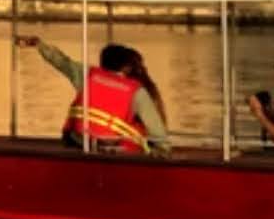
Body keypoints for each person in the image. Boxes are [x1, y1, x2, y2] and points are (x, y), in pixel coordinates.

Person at [18, 36, 170, 155]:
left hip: (76, 141)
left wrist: (40, 44)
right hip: (115, 150)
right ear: (128, 67)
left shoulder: (89, 75)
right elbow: (159, 135)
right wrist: (162, 151)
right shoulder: (137, 91)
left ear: (103, 64)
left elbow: (62, 62)